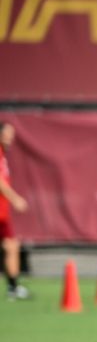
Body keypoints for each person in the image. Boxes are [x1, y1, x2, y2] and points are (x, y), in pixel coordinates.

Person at [0, 122, 30, 300]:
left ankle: (13, 287)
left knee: (12, 245)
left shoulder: (4, 155)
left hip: (3, 213)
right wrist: (15, 198)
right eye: (7, 134)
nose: (10, 138)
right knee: (11, 246)